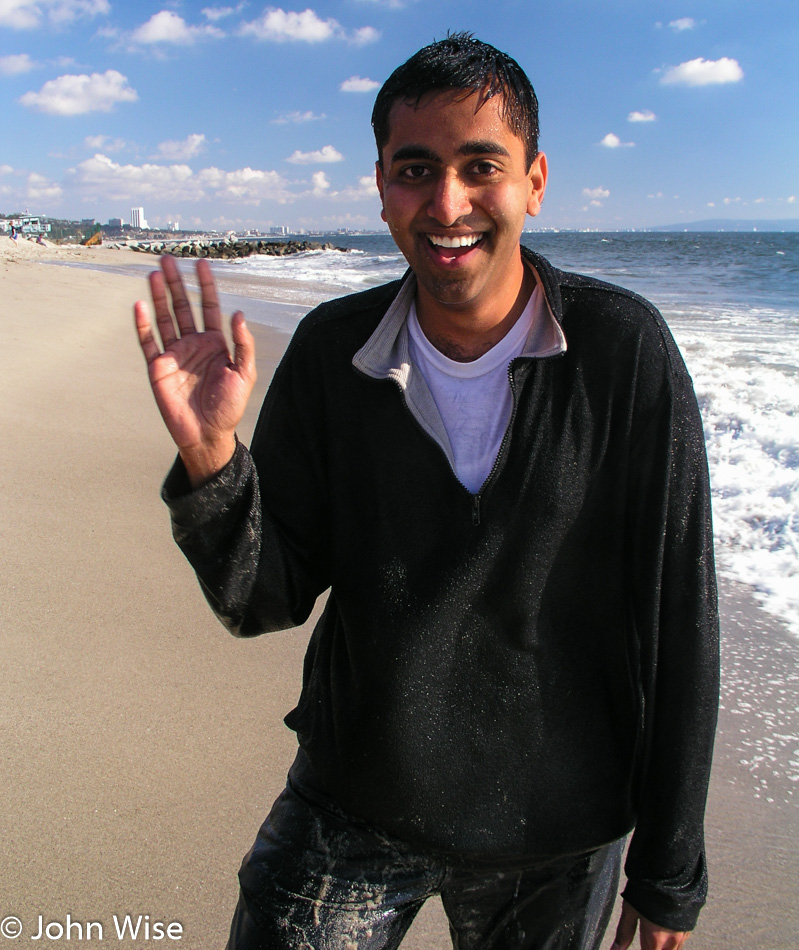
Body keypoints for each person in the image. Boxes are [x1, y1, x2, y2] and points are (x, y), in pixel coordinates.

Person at [135, 33, 718, 950]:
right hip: (355, 797)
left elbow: (678, 616)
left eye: (479, 164)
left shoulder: (622, 352)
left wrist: (669, 871)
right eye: (416, 168)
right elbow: (266, 599)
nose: (447, 203)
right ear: (380, 186)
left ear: (533, 180)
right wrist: (214, 457)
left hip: (556, 831)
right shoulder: (336, 353)